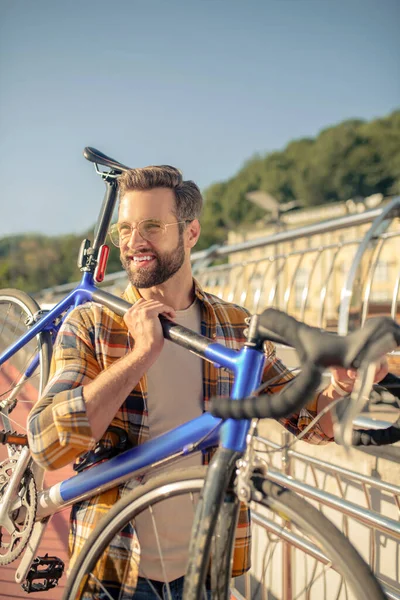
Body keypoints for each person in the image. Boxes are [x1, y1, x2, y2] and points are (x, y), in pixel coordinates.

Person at [27, 165, 388, 599]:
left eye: (151, 226)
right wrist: (141, 355)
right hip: (115, 566)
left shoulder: (235, 327)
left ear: (191, 233)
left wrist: (342, 388)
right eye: (124, 229)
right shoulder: (93, 321)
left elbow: (311, 423)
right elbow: (48, 444)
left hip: (206, 568)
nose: (133, 242)